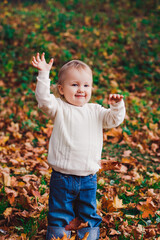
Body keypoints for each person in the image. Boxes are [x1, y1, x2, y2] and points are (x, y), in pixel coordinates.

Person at [31, 52, 126, 240]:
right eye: (74, 84)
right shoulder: (59, 108)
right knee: (59, 211)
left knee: (88, 211)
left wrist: (116, 106)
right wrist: (43, 74)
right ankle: (58, 235)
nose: (81, 89)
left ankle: (88, 235)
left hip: (88, 177)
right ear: (61, 89)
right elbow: (43, 100)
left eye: (86, 85)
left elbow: (114, 120)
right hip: (62, 177)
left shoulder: (96, 111)